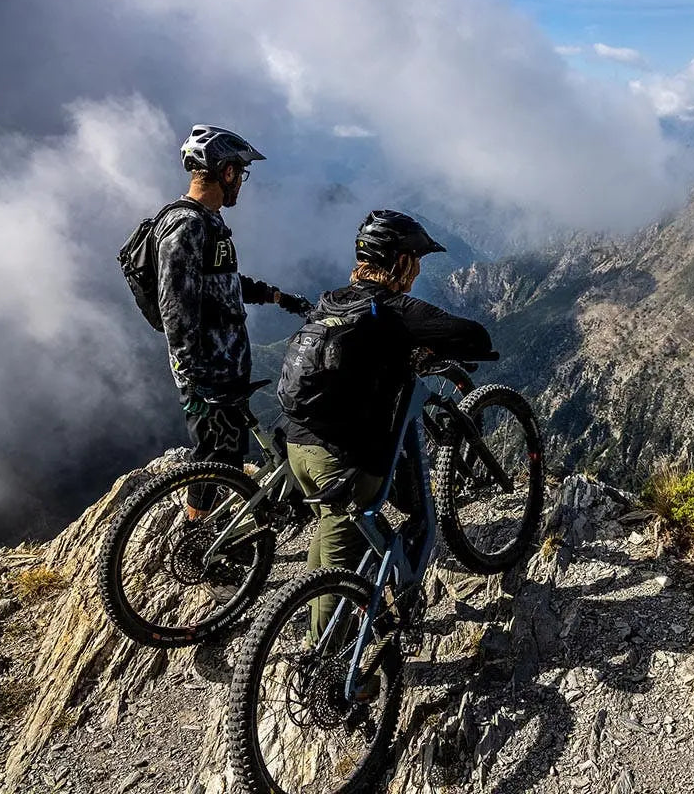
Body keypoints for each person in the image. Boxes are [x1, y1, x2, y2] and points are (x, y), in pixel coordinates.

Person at [283, 209, 493, 640]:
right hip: (341, 461)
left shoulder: (334, 299)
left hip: (298, 446)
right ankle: (328, 669)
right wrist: (433, 343)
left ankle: (320, 619)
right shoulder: (394, 310)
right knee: (341, 562)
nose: (417, 271)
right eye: (415, 260)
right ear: (399, 262)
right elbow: (473, 335)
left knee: (328, 535)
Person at [155, 125, 309, 518]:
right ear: (226, 172)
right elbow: (175, 305)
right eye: (240, 171)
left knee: (227, 458)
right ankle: (198, 542)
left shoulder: (208, 222)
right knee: (212, 461)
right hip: (208, 374)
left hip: (224, 368)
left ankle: (215, 534)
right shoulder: (186, 226)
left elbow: (222, 283)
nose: (242, 180)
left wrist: (276, 296)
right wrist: (196, 374)